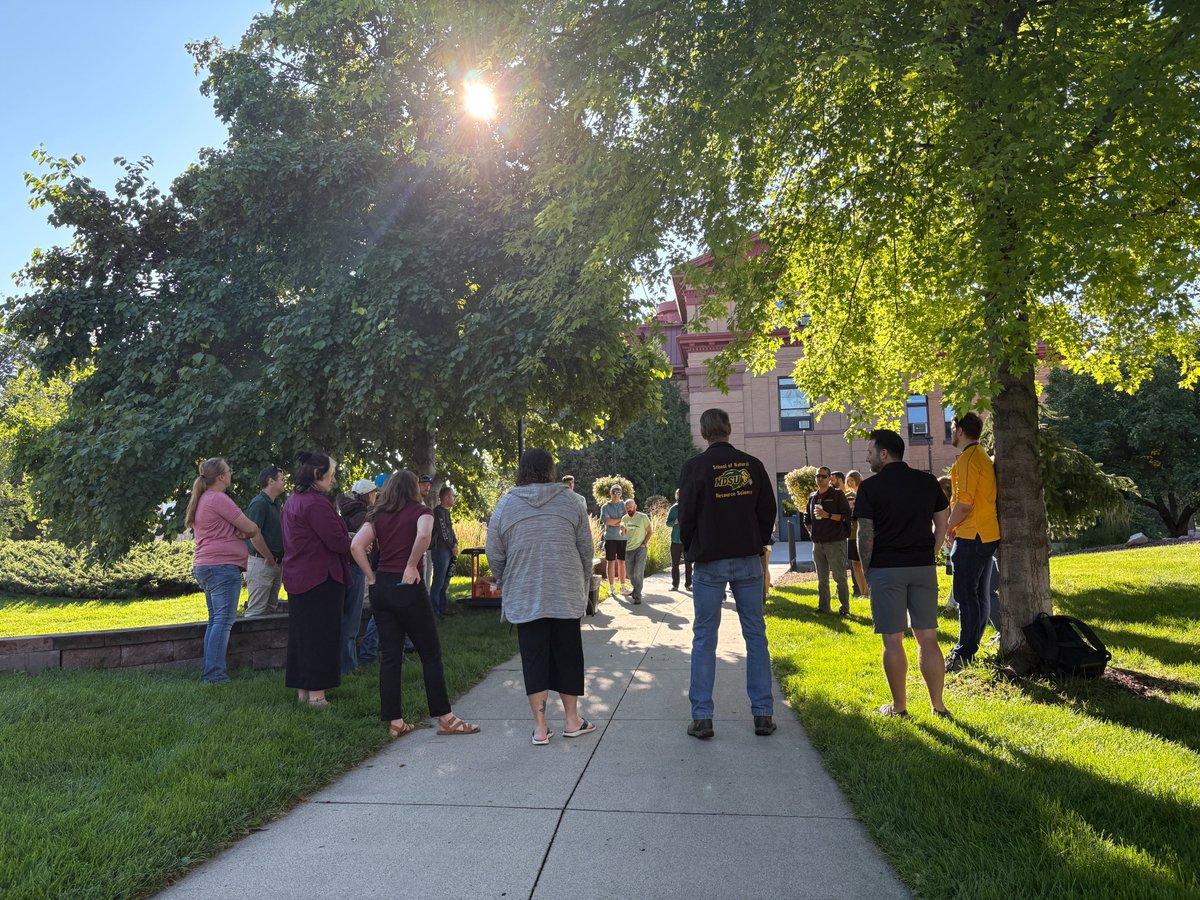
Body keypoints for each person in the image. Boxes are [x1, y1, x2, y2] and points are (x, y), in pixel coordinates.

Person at [351, 470, 479, 738]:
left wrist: (371, 577)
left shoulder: (377, 515)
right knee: (430, 653)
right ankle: (446, 718)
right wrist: (411, 564)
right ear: (413, 488)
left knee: (390, 656)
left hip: (382, 587)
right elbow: (423, 536)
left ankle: (395, 722)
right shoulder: (422, 512)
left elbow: (356, 546)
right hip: (408, 586)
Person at [678, 408, 778, 739]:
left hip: (710, 560)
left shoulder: (695, 468)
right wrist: (757, 541)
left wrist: (694, 547)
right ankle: (763, 714)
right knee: (755, 634)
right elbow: (768, 510)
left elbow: (686, 516)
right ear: (729, 429)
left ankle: (702, 718)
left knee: (705, 636)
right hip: (747, 558)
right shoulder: (752, 465)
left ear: (703, 432)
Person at [486, 449, 596, 745]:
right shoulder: (572, 501)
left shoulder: (506, 505)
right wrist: (582, 580)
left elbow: (494, 554)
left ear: (522, 470)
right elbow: (586, 550)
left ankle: (540, 728)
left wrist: (506, 579)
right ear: (551, 470)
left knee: (533, 659)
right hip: (565, 591)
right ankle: (572, 721)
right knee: (568, 656)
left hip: (525, 594)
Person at [853, 429, 952, 719]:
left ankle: (899, 708)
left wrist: (867, 571)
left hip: (886, 569)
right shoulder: (927, 482)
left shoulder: (870, 488)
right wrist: (931, 552)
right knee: (928, 638)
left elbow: (864, 536)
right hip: (922, 566)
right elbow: (942, 523)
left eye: (870, 452)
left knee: (893, 640)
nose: (867, 458)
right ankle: (938, 706)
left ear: (884, 454)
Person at [186, 457, 275, 684]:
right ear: (221, 476)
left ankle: (211, 671)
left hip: (206, 566)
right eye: (228, 470)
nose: (231, 473)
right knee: (223, 621)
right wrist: (243, 531)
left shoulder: (203, 499)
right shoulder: (218, 499)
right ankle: (214, 675)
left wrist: (239, 531)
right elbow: (251, 527)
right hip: (221, 567)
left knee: (216, 620)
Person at [281, 451, 352, 707]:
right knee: (321, 635)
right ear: (316, 474)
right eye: (330, 475)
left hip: (299, 576)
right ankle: (317, 696)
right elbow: (335, 541)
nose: (333, 480)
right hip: (320, 577)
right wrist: (356, 543)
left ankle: (304, 692)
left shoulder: (292, 501)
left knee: (302, 636)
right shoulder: (316, 503)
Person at [944, 412, 1001, 673]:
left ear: (960, 431)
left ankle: (963, 653)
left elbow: (964, 503)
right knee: (978, 595)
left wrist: (948, 526)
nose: (951, 432)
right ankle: (969, 649)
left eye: (952, 427)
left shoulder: (968, 459)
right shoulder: (981, 455)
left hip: (971, 536)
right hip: (986, 534)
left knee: (965, 597)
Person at [336, 478, 378, 673]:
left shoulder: (345, 512)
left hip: (344, 567)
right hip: (356, 567)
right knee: (352, 619)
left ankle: (344, 663)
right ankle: (348, 666)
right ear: (368, 495)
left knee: (344, 616)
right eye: (374, 493)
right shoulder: (363, 516)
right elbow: (365, 546)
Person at [806, 466, 853, 615]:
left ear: (829, 478)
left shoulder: (837, 495)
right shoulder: (813, 497)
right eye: (818, 476)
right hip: (818, 543)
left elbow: (846, 516)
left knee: (839, 577)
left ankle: (844, 608)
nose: (820, 479)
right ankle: (824, 608)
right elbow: (807, 518)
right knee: (822, 578)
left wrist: (827, 515)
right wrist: (811, 532)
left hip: (835, 541)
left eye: (823, 476)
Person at [243, 465, 287, 617]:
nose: (284, 482)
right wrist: (269, 557)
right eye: (281, 479)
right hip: (262, 562)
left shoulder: (275, 503)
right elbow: (254, 534)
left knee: (270, 610)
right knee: (256, 612)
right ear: (271, 481)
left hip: (273, 563)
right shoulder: (259, 503)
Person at [357, 472, 390, 664]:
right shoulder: (369, 515)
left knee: (381, 613)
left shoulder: (371, 513)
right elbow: (357, 546)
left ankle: (381, 652)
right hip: (377, 567)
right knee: (378, 612)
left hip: (377, 567)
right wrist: (370, 576)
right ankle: (368, 653)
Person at [430, 485, 460, 619]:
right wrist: (451, 546)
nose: (454, 498)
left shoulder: (446, 512)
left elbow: (450, 530)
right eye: (453, 496)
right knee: (439, 580)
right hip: (440, 550)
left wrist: (456, 543)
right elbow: (443, 532)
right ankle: (434, 611)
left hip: (448, 550)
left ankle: (443, 607)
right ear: (446, 498)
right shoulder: (438, 512)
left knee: (446, 580)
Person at [601, 484, 631, 597]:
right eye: (614, 492)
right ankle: (612, 588)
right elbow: (607, 522)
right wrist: (620, 521)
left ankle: (622, 587)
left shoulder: (625, 505)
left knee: (622, 562)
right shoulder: (605, 507)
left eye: (618, 492)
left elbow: (627, 520)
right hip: (610, 538)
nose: (616, 494)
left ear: (621, 494)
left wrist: (614, 521)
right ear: (610, 493)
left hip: (623, 538)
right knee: (611, 562)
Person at [622, 497, 653, 605]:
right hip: (628, 549)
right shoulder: (624, 519)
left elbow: (650, 531)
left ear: (635, 506)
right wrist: (622, 530)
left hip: (640, 548)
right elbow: (623, 534)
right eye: (627, 507)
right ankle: (636, 588)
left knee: (638, 572)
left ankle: (637, 596)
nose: (629, 509)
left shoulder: (643, 517)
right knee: (630, 573)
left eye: (631, 507)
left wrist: (644, 543)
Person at [845, 470, 869, 598]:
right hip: (852, 534)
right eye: (848, 480)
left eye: (852, 480)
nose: (850, 483)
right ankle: (862, 592)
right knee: (855, 563)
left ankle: (868, 591)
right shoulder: (847, 496)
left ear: (857, 480)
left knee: (865, 563)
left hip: (864, 532)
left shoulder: (865, 494)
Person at [666, 488, 692, 592]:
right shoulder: (673, 509)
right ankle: (675, 585)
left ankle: (688, 585)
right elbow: (667, 523)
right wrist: (674, 522)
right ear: (676, 496)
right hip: (675, 541)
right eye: (679, 494)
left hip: (687, 541)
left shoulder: (690, 507)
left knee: (688, 564)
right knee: (675, 564)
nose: (680, 496)